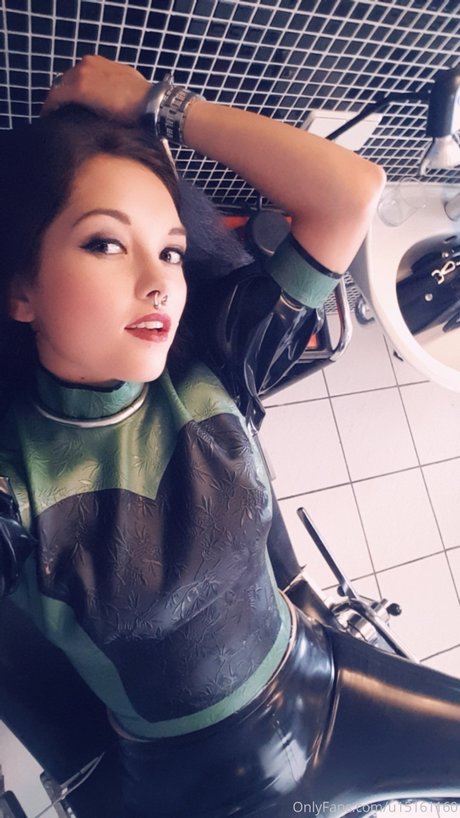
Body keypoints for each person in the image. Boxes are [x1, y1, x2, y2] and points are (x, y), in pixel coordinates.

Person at [0, 54, 459, 818]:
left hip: (329, 688)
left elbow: (351, 193)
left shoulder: (214, 361)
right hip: (196, 789)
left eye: (171, 250)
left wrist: (157, 103)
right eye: (106, 244)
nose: (158, 281)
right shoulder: (15, 487)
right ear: (21, 289)